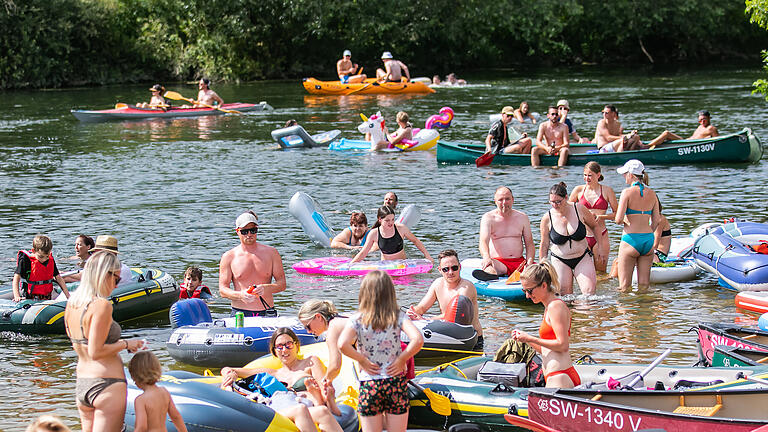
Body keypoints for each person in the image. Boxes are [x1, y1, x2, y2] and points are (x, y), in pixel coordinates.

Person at [65, 251, 145, 432]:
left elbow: (80, 345)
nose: (116, 286)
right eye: (116, 279)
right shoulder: (101, 305)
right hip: (106, 384)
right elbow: (96, 351)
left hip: (82, 382)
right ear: (103, 274)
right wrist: (126, 344)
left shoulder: (73, 304)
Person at [338, 271, 424, 432]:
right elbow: (418, 340)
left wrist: (362, 360)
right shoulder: (397, 316)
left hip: (370, 383)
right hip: (394, 382)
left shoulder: (357, 319)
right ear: (390, 292)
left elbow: (342, 344)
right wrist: (401, 359)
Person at [220, 328, 343, 432]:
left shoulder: (310, 363)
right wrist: (230, 375)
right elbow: (228, 369)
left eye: (288, 344)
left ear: (296, 345)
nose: (284, 350)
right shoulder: (271, 373)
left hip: (309, 406)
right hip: (281, 412)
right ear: (274, 351)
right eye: (279, 347)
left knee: (322, 411)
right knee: (300, 410)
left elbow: (325, 391)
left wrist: (317, 393)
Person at [511, 261, 580, 388]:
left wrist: (530, 338)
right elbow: (547, 350)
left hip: (559, 376)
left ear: (543, 285)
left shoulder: (555, 306)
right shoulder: (549, 307)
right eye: (524, 290)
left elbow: (563, 345)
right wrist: (525, 340)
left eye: (530, 291)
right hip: (556, 375)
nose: (527, 296)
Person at [406, 249, 484, 349]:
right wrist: (412, 313)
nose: (450, 272)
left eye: (454, 268)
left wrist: (426, 320)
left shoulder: (466, 287)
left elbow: (455, 315)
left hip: (471, 339)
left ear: (460, 267)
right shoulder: (437, 284)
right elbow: (422, 307)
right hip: (448, 336)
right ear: (439, 270)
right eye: (445, 269)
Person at [539, 183, 605, 296]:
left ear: (566, 197)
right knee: (565, 296)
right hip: (560, 259)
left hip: (582, 256)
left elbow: (595, 226)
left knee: (589, 294)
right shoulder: (547, 218)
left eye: (558, 202)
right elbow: (544, 244)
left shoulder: (578, 209)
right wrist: (542, 265)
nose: (555, 205)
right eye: (552, 202)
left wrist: (601, 247)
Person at [219, 211, 286, 317]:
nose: (249, 234)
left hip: (267, 311)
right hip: (240, 312)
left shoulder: (272, 253)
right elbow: (223, 290)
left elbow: (282, 284)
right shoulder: (229, 256)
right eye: (245, 231)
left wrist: (266, 288)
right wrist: (240, 295)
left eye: (253, 230)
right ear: (237, 231)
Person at [613, 159, 660, 290]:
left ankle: (626, 310)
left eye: (625, 173)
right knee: (644, 286)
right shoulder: (652, 193)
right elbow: (657, 220)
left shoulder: (626, 192)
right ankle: (644, 309)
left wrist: (626, 221)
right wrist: (648, 231)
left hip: (630, 239)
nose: (623, 176)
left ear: (631, 175)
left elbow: (618, 219)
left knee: (624, 287)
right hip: (648, 239)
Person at [475, 186, 536, 281]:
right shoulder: (488, 218)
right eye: (500, 200)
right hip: (499, 263)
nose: (504, 203)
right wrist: (487, 258)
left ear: (513, 200)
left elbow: (530, 243)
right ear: (495, 201)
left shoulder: (522, 217)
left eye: (507, 199)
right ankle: (489, 275)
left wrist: (529, 262)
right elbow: (483, 242)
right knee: (491, 269)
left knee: (542, 270)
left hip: (520, 262)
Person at [568, 162, 618, 273]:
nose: (586, 178)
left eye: (590, 175)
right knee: (582, 272)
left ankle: (602, 290)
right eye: (585, 175)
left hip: (601, 234)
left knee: (601, 272)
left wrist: (601, 217)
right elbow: (567, 211)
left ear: (598, 175)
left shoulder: (607, 190)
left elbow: (618, 214)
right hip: (583, 235)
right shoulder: (578, 190)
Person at [128, 351, 187, 432]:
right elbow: (176, 416)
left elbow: (142, 427)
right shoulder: (164, 392)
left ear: (136, 377)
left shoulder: (140, 400)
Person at [350, 206, 432, 264]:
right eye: (387, 220)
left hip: (402, 264)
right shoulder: (374, 233)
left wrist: (428, 256)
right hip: (386, 266)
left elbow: (416, 241)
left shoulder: (401, 229)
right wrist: (351, 264)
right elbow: (364, 252)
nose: (391, 223)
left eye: (393, 219)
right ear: (380, 219)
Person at [298, 300, 348, 383]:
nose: (308, 332)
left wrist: (325, 382)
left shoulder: (332, 331)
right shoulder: (341, 320)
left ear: (318, 317)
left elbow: (335, 367)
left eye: (308, 326)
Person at [12, 234, 70, 302]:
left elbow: (58, 278)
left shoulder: (50, 259)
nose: (44, 259)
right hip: (29, 297)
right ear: (33, 251)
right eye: (41, 257)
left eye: (47, 256)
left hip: (47, 297)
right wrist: (17, 296)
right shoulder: (26, 260)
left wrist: (68, 296)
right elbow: (16, 278)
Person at [645, 110, 720, 147]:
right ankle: (648, 143)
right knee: (665, 136)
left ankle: (647, 146)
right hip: (686, 141)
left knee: (666, 133)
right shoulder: (700, 127)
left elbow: (718, 142)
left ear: (709, 118)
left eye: (704, 119)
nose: (702, 122)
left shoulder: (711, 128)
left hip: (689, 144)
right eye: (700, 120)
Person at [652, 198, 672, 263]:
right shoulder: (649, 218)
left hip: (659, 255)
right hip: (652, 253)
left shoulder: (660, 219)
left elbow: (655, 245)